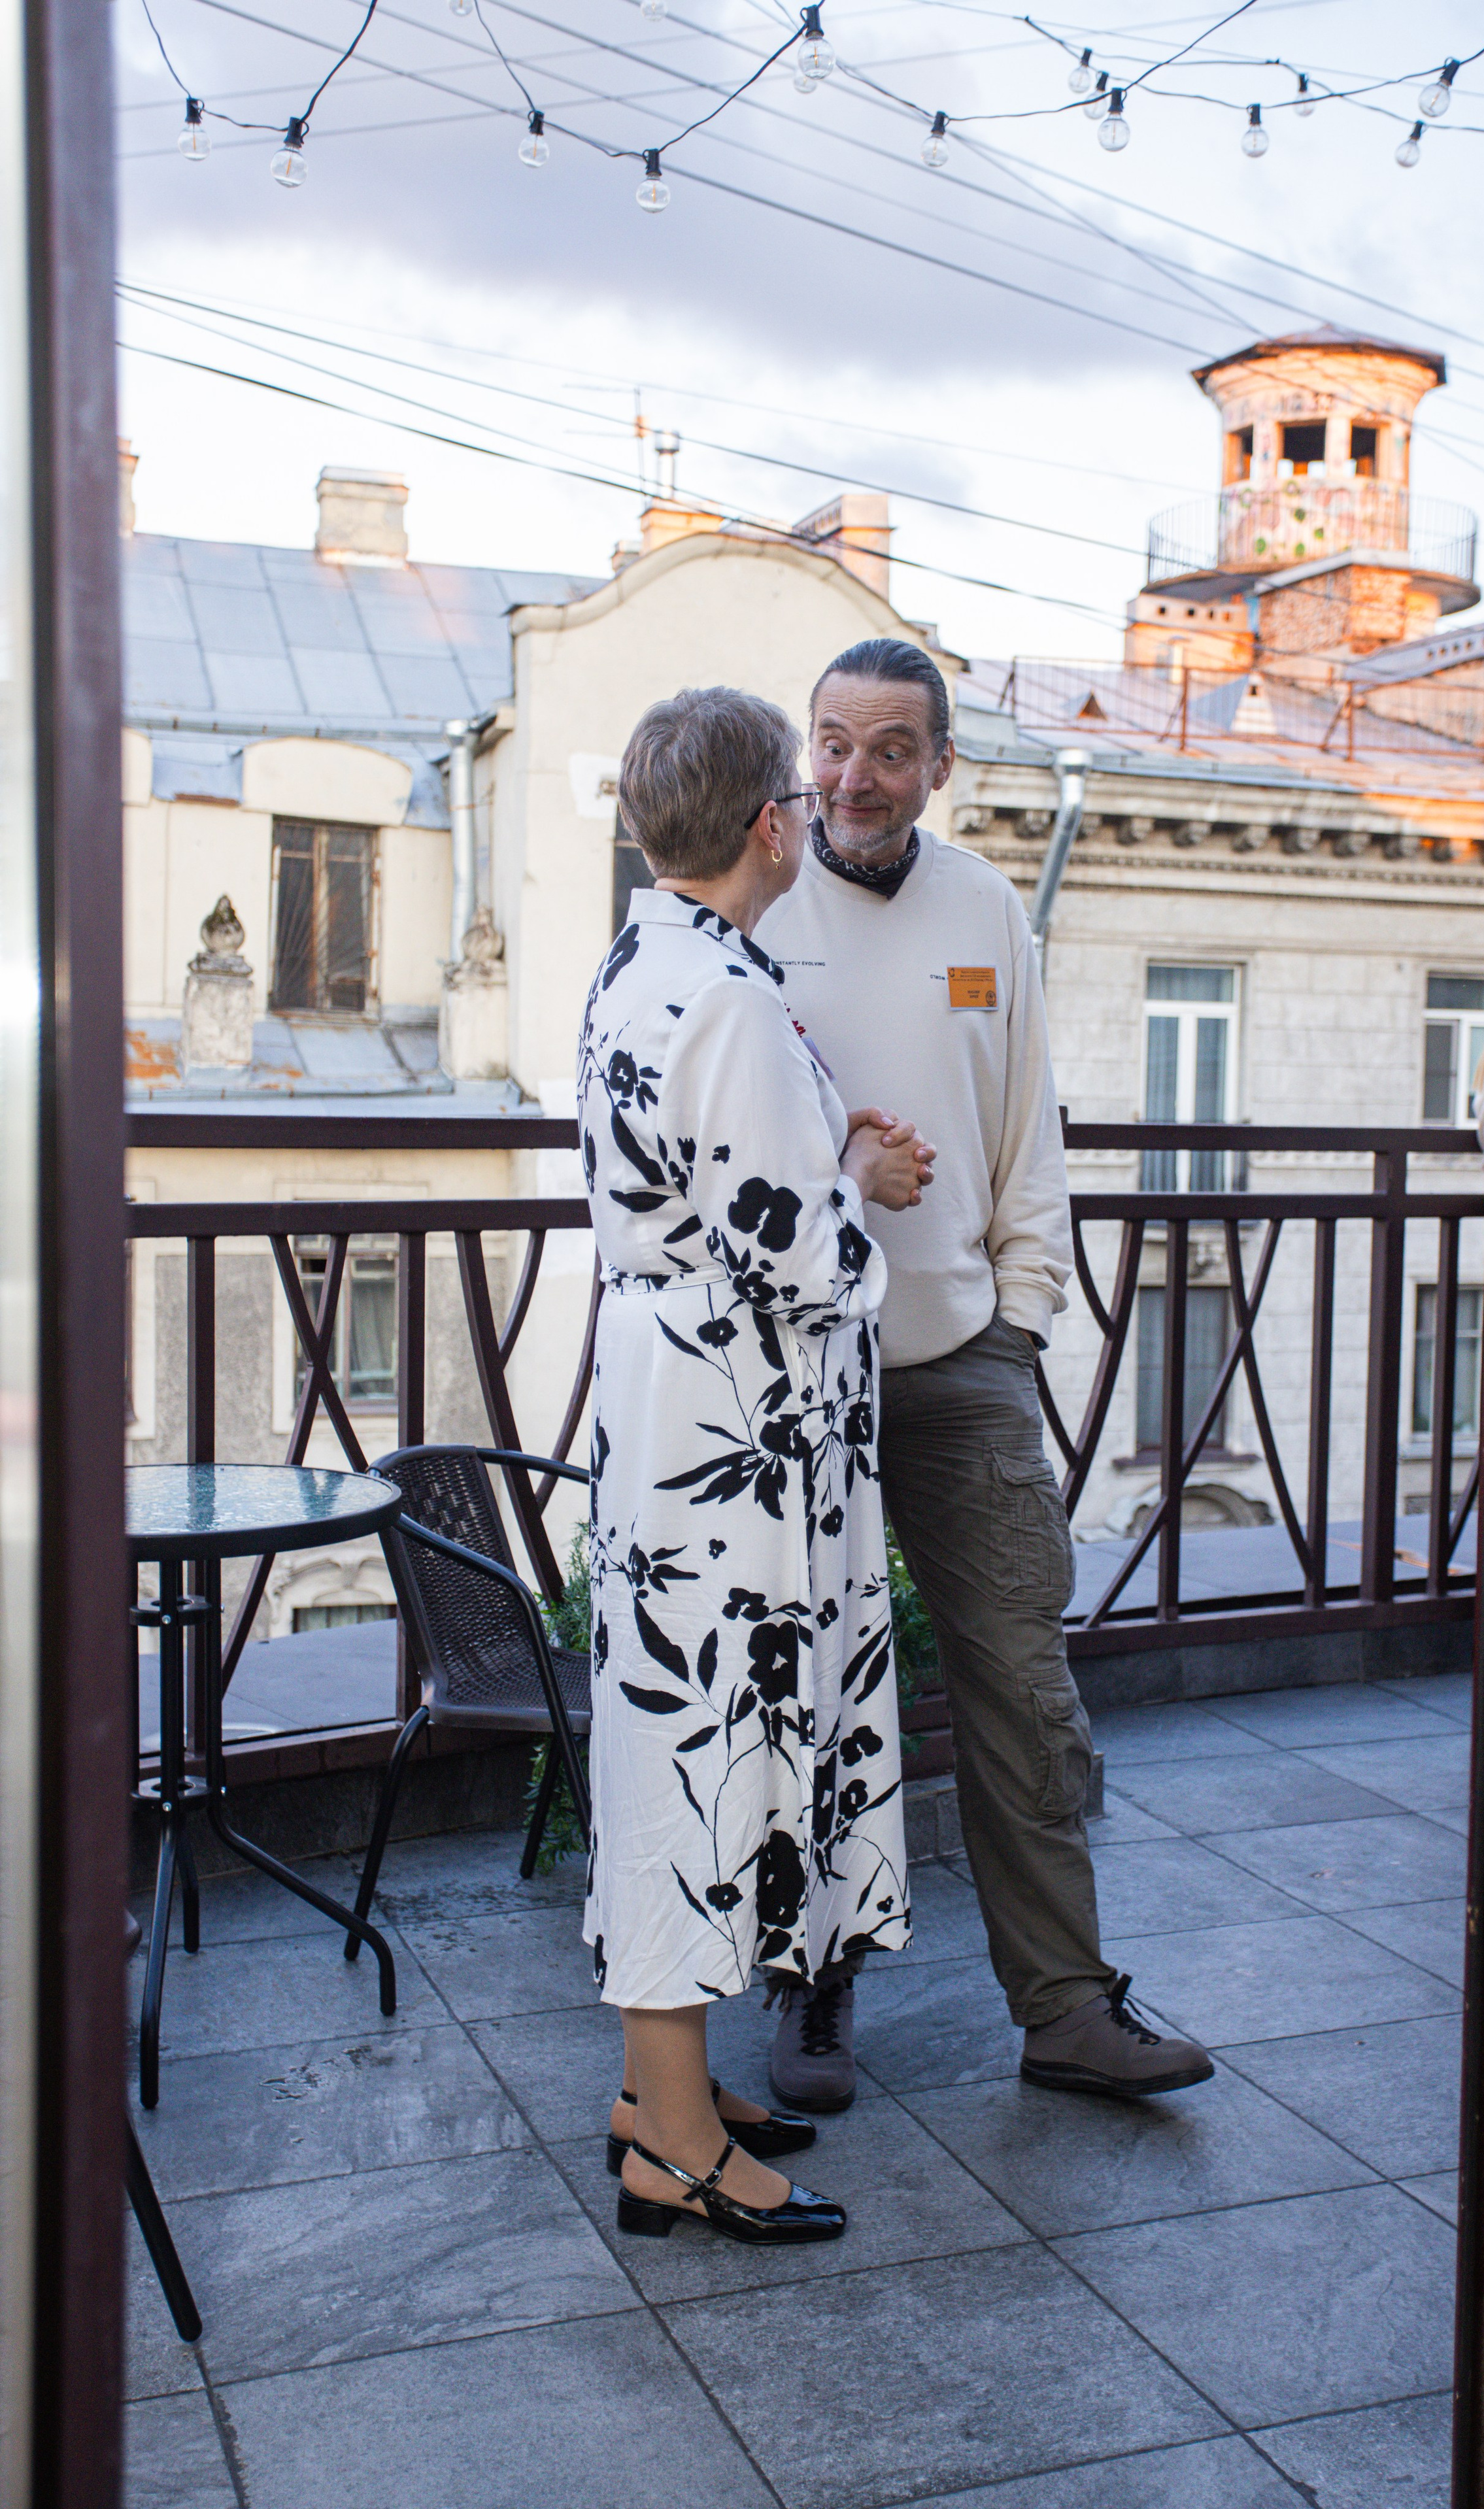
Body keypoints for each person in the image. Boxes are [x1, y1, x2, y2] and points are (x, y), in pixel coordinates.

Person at [754, 637, 1215, 2110]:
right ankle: (813, 1994)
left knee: (1023, 1683)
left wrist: (1017, 1317)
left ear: (940, 764)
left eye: (889, 747)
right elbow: (714, 1133)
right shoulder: (751, 904)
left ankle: (1067, 2006)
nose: (853, 775)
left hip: (961, 1363)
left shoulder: (984, 907)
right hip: (802, 1371)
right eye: (830, 741)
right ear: (801, 748)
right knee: (814, 1687)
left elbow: (1029, 1135)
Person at [577, 683, 934, 2245]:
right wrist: (857, 1173)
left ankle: (669, 2086)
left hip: (685, 1420)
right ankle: (671, 2137)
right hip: (729, 1437)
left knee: (691, 1731)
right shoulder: (719, 990)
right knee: (695, 1743)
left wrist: (809, 1154)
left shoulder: (651, 958)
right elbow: (795, 1254)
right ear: (767, 823)